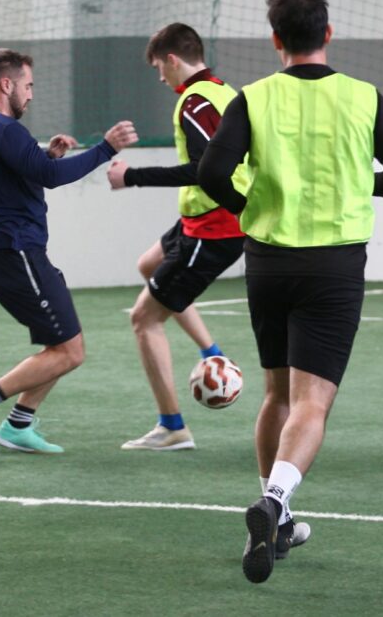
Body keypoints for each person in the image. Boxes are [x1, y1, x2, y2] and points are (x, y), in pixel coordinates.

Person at [197, 0, 383, 583]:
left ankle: (278, 523)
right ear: (328, 34)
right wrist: (358, 183)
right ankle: (274, 502)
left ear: (276, 39)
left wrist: (248, 205)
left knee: (277, 394)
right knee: (312, 403)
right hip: (334, 266)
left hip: (268, 262)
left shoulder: (253, 98)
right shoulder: (363, 96)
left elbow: (212, 172)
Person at [0, 48, 138, 460]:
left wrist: (46, 156)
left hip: (11, 252)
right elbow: (51, 178)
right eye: (28, 85)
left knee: (65, 343)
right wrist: (105, 148)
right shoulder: (4, 129)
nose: (31, 94)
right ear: (6, 84)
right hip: (15, 251)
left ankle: (19, 425)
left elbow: (17, 173)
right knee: (69, 350)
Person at [106, 23, 249, 451]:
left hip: (214, 227)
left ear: (172, 60)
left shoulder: (194, 102)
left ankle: (172, 427)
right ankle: (212, 353)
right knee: (148, 264)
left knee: (143, 319)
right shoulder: (224, 91)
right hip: (202, 219)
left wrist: (132, 176)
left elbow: (205, 170)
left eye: (158, 68)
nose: (160, 78)